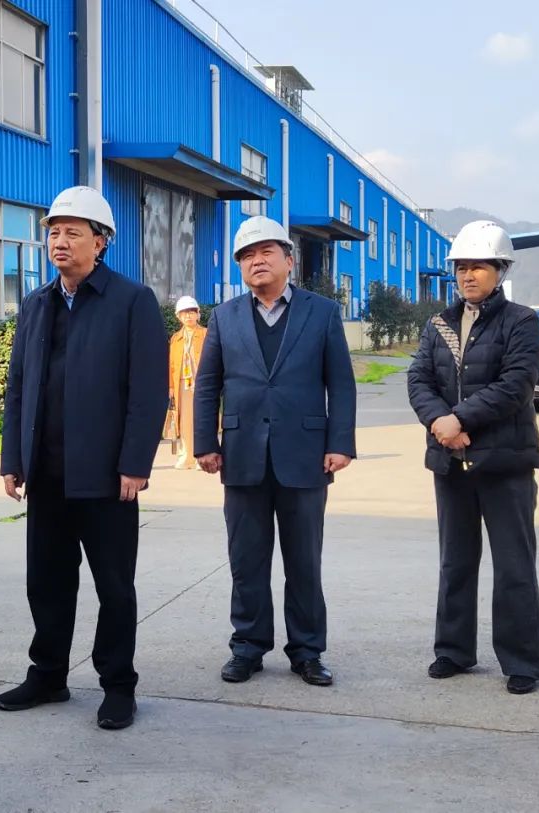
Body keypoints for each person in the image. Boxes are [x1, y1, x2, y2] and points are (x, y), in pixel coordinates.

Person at [0, 186, 168, 731]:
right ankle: (48, 674)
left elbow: (148, 391)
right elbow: (19, 386)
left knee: (114, 586)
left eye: (73, 232)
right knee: (46, 582)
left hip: (107, 476)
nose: (59, 241)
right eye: (53, 232)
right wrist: (12, 457)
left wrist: (135, 462)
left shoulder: (132, 301)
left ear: (101, 241)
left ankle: (118, 685)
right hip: (46, 473)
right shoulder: (36, 304)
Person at [193, 215, 356, 687]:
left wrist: (340, 443)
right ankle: (247, 647)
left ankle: (307, 651)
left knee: (304, 562)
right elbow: (207, 385)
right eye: (247, 255)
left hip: (305, 454)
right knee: (246, 561)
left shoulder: (321, 313)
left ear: (289, 259)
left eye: (266, 252)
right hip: (241, 454)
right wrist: (205, 443)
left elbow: (340, 384)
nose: (256, 261)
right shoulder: (224, 316)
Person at [406, 220, 539, 695]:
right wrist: (439, 423)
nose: (468, 275)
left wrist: (459, 419)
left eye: (479, 266)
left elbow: (516, 385)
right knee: (456, 561)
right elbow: (419, 379)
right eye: (462, 267)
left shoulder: (521, 322)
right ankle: (453, 650)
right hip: (450, 462)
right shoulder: (439, 323)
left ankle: (522, 661)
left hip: (505, 463)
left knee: (514, 566)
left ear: (500, 270)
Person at [168, 295, 207, 470]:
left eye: (191, 312)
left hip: (202, 383)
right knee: (184, 422)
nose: (188, 316)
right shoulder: (176, 338)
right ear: (178, 316)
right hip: (182, 384)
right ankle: (186, 456)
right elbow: (171, 365)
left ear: (198, 314)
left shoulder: (207, 334)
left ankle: (202, 456)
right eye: (184, 313)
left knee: (202, 419)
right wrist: (170, 386)